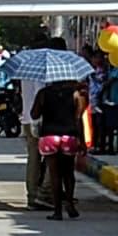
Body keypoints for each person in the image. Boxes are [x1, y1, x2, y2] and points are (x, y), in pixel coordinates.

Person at [26, 63, 91, 220]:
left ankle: (57, 211)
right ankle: (69, 202)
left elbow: (34, 114)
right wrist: (82, 141)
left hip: (49, 137)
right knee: (68, 173)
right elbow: (78, 119)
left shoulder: (43, 93)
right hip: (69, 136)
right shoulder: (76, 95)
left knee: (54, 175)